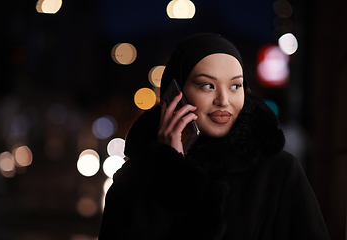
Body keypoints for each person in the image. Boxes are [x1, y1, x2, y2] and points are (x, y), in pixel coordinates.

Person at [98, 33, 330, 240]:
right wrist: (168, 169)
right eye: (207, 85)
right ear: (174, 94)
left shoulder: (280, 171)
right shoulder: (135, 178)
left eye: (235, 86)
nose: (223, 100)